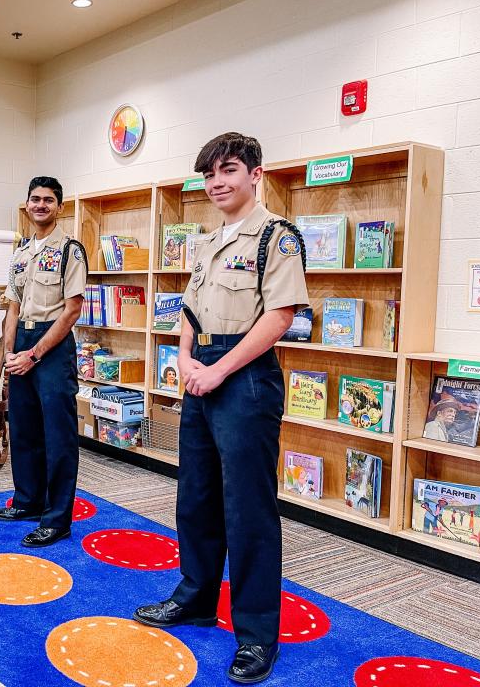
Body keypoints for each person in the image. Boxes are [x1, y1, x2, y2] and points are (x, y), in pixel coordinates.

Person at [132, 133, 308, 684]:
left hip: (245, 378)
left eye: (228, 170)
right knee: (198, 497)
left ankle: (257, 635)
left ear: (256, 173)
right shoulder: (209, 242)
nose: (217, 182)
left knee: (248, 511)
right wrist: (183, 357)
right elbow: (189, 307)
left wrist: (218, 369)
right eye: (209, 174)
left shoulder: (275, 238)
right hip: (200, 373)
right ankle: (196, 598)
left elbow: (279, 317)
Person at [0, 176, 86, 547]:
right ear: (27, 204)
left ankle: (57, 518)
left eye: (49, 200)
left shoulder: (70, 250)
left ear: (59, 207)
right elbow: (13, 306)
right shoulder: (20, 252)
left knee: (58, 436)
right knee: (25, 429)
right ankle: (27, 501)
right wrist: (9, 352)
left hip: (52, 344)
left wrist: (34, 354)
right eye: (35, 199)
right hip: (23, 343)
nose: (41, 205)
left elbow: (72, 310)